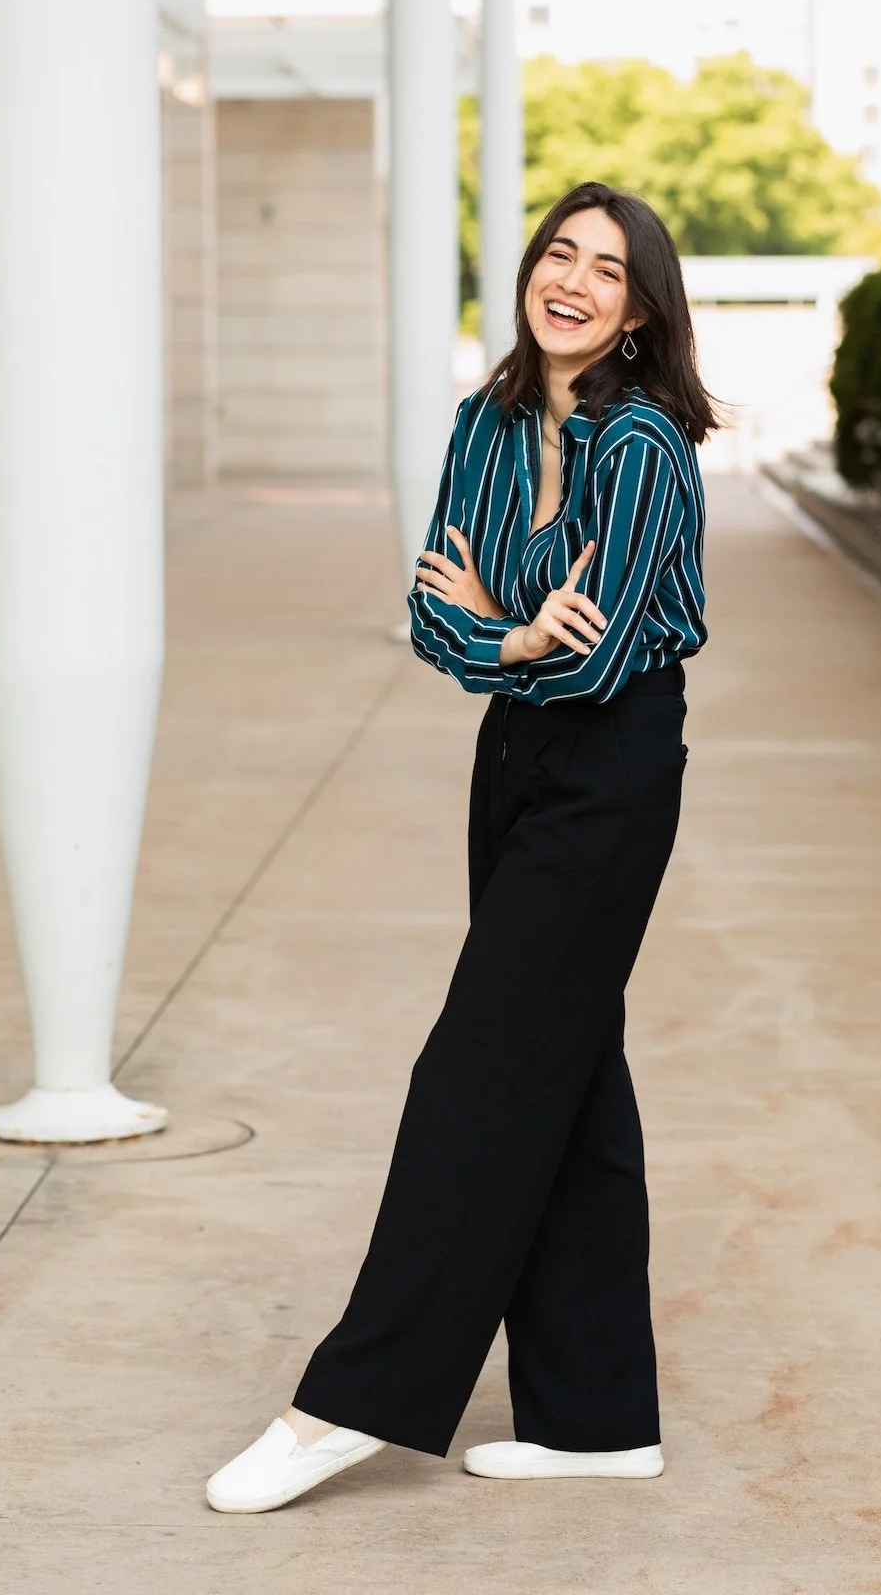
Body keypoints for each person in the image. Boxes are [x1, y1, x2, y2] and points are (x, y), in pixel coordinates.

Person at [207, 181, 717, 1514]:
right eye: (561, 253)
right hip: (514, 765)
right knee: (569, 1076)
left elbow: (602, 653)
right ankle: (599, 1418)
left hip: (610, 780)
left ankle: (346, 1403)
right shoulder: (483, 427)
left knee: (476, 1074)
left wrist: (519, 638)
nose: (575, 281)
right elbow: (436, 622)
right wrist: (508, 634)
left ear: (639, 311)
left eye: (609, 270)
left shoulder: (646, 448)